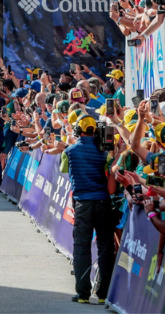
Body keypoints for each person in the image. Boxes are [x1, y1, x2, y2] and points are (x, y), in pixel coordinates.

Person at [60, 114, 116, 304]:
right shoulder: (104, 153)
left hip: (82, 203)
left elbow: (63, 169)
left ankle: (83, 294)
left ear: (78, 130)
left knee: (81, 247)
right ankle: (103, 294)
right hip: (103, 202)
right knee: (105, 248)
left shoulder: (69, 151)